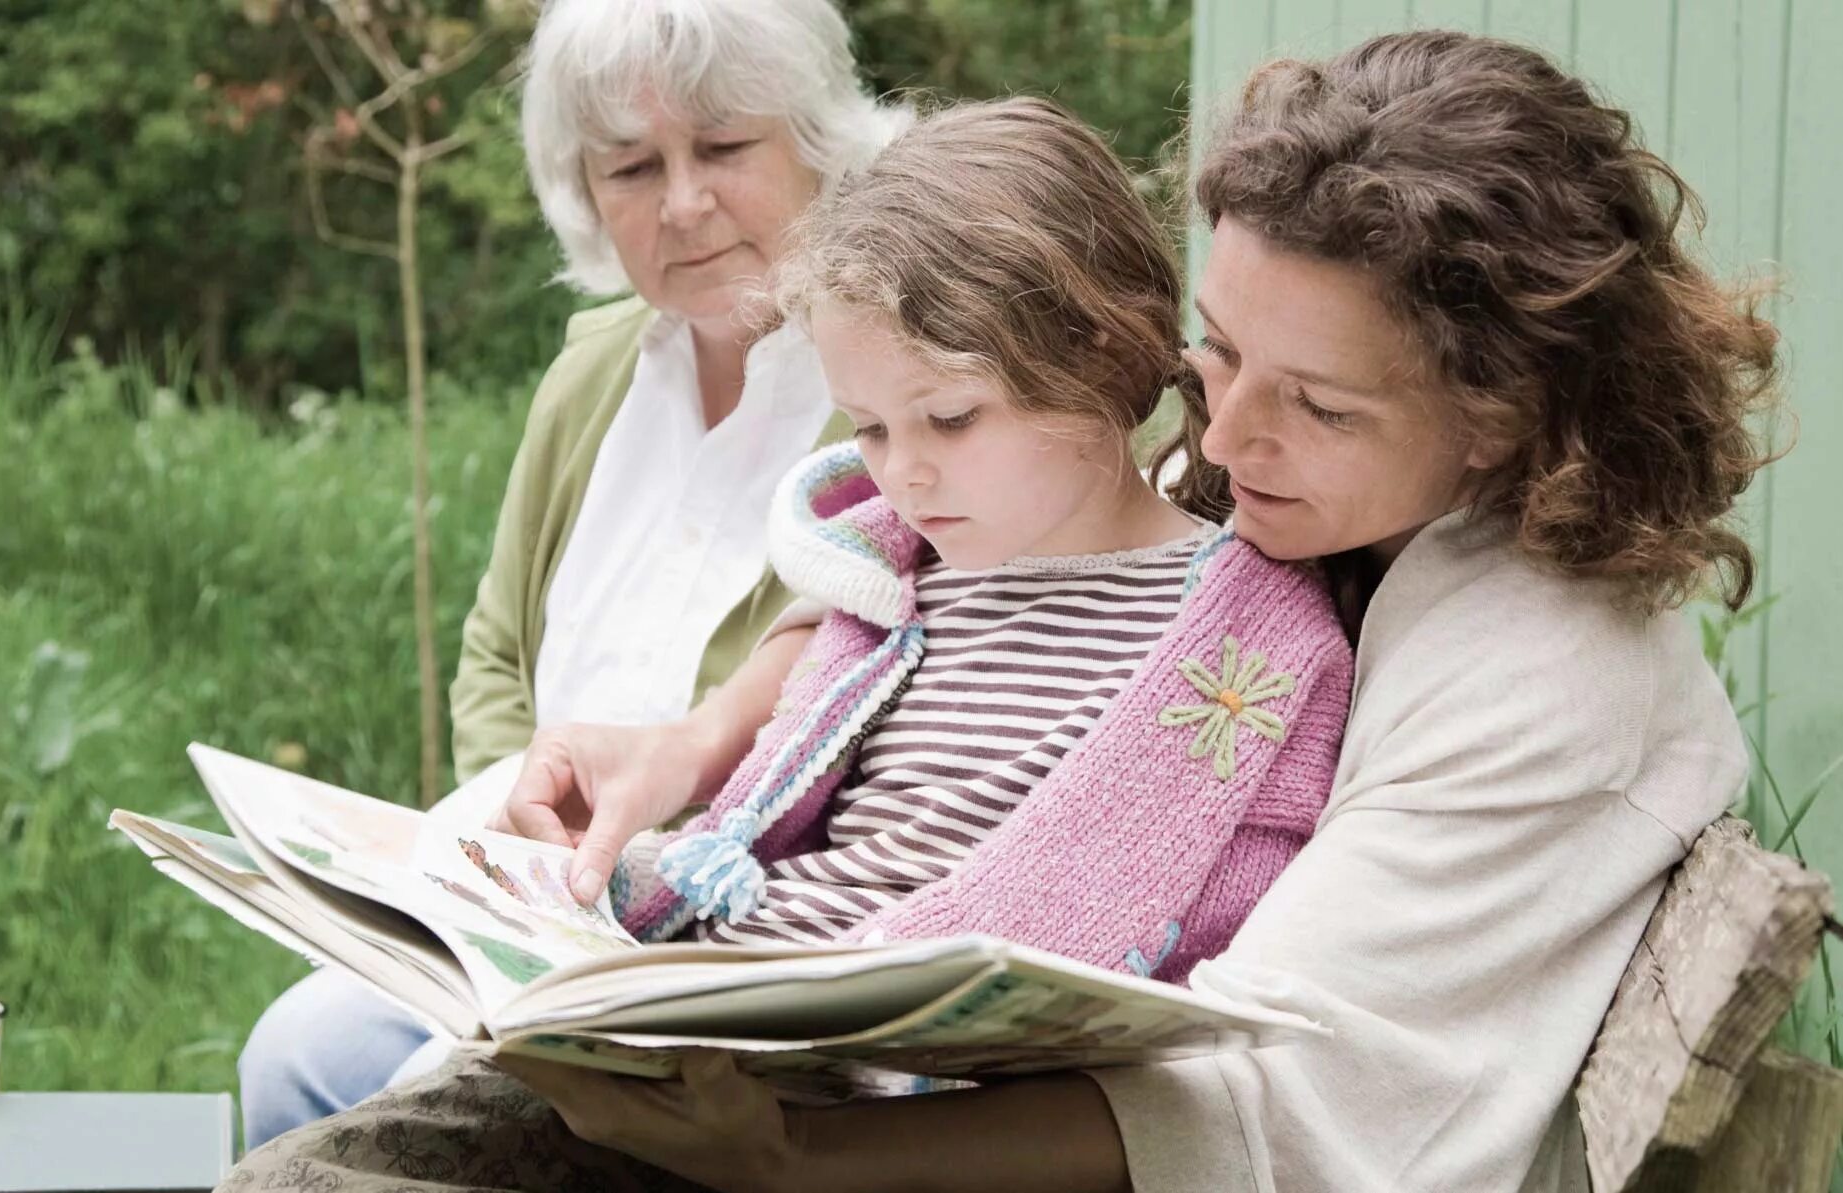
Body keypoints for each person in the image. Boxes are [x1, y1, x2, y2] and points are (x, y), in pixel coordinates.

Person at [243, 29, 1780, 1192]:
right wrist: (703, 742)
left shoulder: (1539, 677)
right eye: (1216, 352)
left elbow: (1264, 1095)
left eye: (1305, 400)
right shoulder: (1336, 494)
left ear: (1502, 412)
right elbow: (934, 597)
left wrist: (779, 1154)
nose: (1217, 440)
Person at [224, 94, 1356, 1189]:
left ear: (1104, 358)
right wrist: (579, 900)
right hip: (708, 1030)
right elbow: (761, 829)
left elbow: (1226, 913)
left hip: (886, 1108)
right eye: (867, 424)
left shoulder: (1246, 640)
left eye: (950, 418)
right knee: (308, 1168)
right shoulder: (890, 578)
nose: (902, 469)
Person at [233, 0, 909, 1148]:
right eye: (633, 165)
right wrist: (523, 849)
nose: (682, 204)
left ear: (818, 140)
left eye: (725, 148)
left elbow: (867, 703)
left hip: (738, 947)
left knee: (403, 1118)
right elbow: (497, 646)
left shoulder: (894, 386)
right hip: (531, 908)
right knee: (294, 1054)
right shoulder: (592, 367)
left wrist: (627, 882)